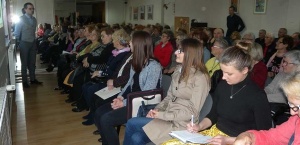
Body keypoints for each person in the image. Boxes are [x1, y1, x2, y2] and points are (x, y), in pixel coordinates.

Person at [163, 47, 272, 145]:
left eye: (229, 74)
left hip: (239, 141)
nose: (224, 77)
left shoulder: (257, 96)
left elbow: (264, 135)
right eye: (222, 72)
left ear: (245, 70)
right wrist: (199, 127)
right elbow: (213, 114)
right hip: (216, 135)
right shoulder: (223, 86)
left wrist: (230, 141)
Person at [123, 38, 211, 145]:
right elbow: (169, 97)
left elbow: (192, 111)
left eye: (180, 50)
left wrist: (161, 115)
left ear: (190, 54)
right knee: (136, 138)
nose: (175, 52)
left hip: (182, 125)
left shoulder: (200, 77)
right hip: (167, 118)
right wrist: (156, 110)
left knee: (132, 123)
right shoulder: (179, 71)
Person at [94, 31, 162, 145]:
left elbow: (146, 95)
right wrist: (120, 97)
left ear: (139, 44)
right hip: (131, 101)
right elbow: (129, 84)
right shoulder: (136, 61)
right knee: (99, 113)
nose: (129, 43)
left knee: (106, 119)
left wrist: (124, 103)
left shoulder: (153, 66)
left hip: (142, 105)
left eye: (131, 41)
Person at [233, 72, 300, 145]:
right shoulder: (296, 120)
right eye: (291, 105)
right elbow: (274, 137)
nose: (292, 113)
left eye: (296, 107)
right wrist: (250, 137)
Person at [14, 2, 42, 88]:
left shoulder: (34, 19)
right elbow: (17, 33)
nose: (32, 10)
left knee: (32, 62)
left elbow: (34, 31)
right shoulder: (21, 19)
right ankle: (24, 81)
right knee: (24, 63)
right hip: (24, 43)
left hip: (33, 42)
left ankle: (33, 79)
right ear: (25, 9)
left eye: (33, 8)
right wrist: (19, 43)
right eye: (30, 8)